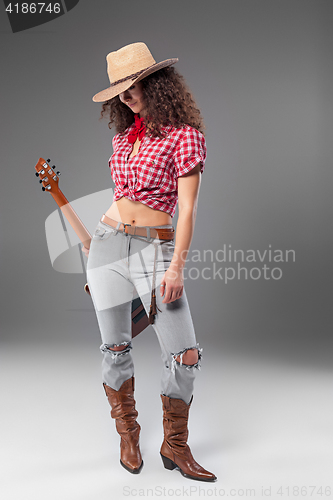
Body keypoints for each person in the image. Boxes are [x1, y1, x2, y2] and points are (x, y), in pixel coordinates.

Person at [83, 42, 217, 482]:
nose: (125, 95)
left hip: (155, 250)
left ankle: (175, 445)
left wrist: (176, 266)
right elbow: (121, 199)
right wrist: (99, 245)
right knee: (116, 346)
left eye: (132, 84)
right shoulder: (124, 137)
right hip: (107, 243)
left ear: (156, 83)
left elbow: (188, 209)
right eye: (119, 89)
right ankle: (128, 433)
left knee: (186, 353)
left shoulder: (185, 135)